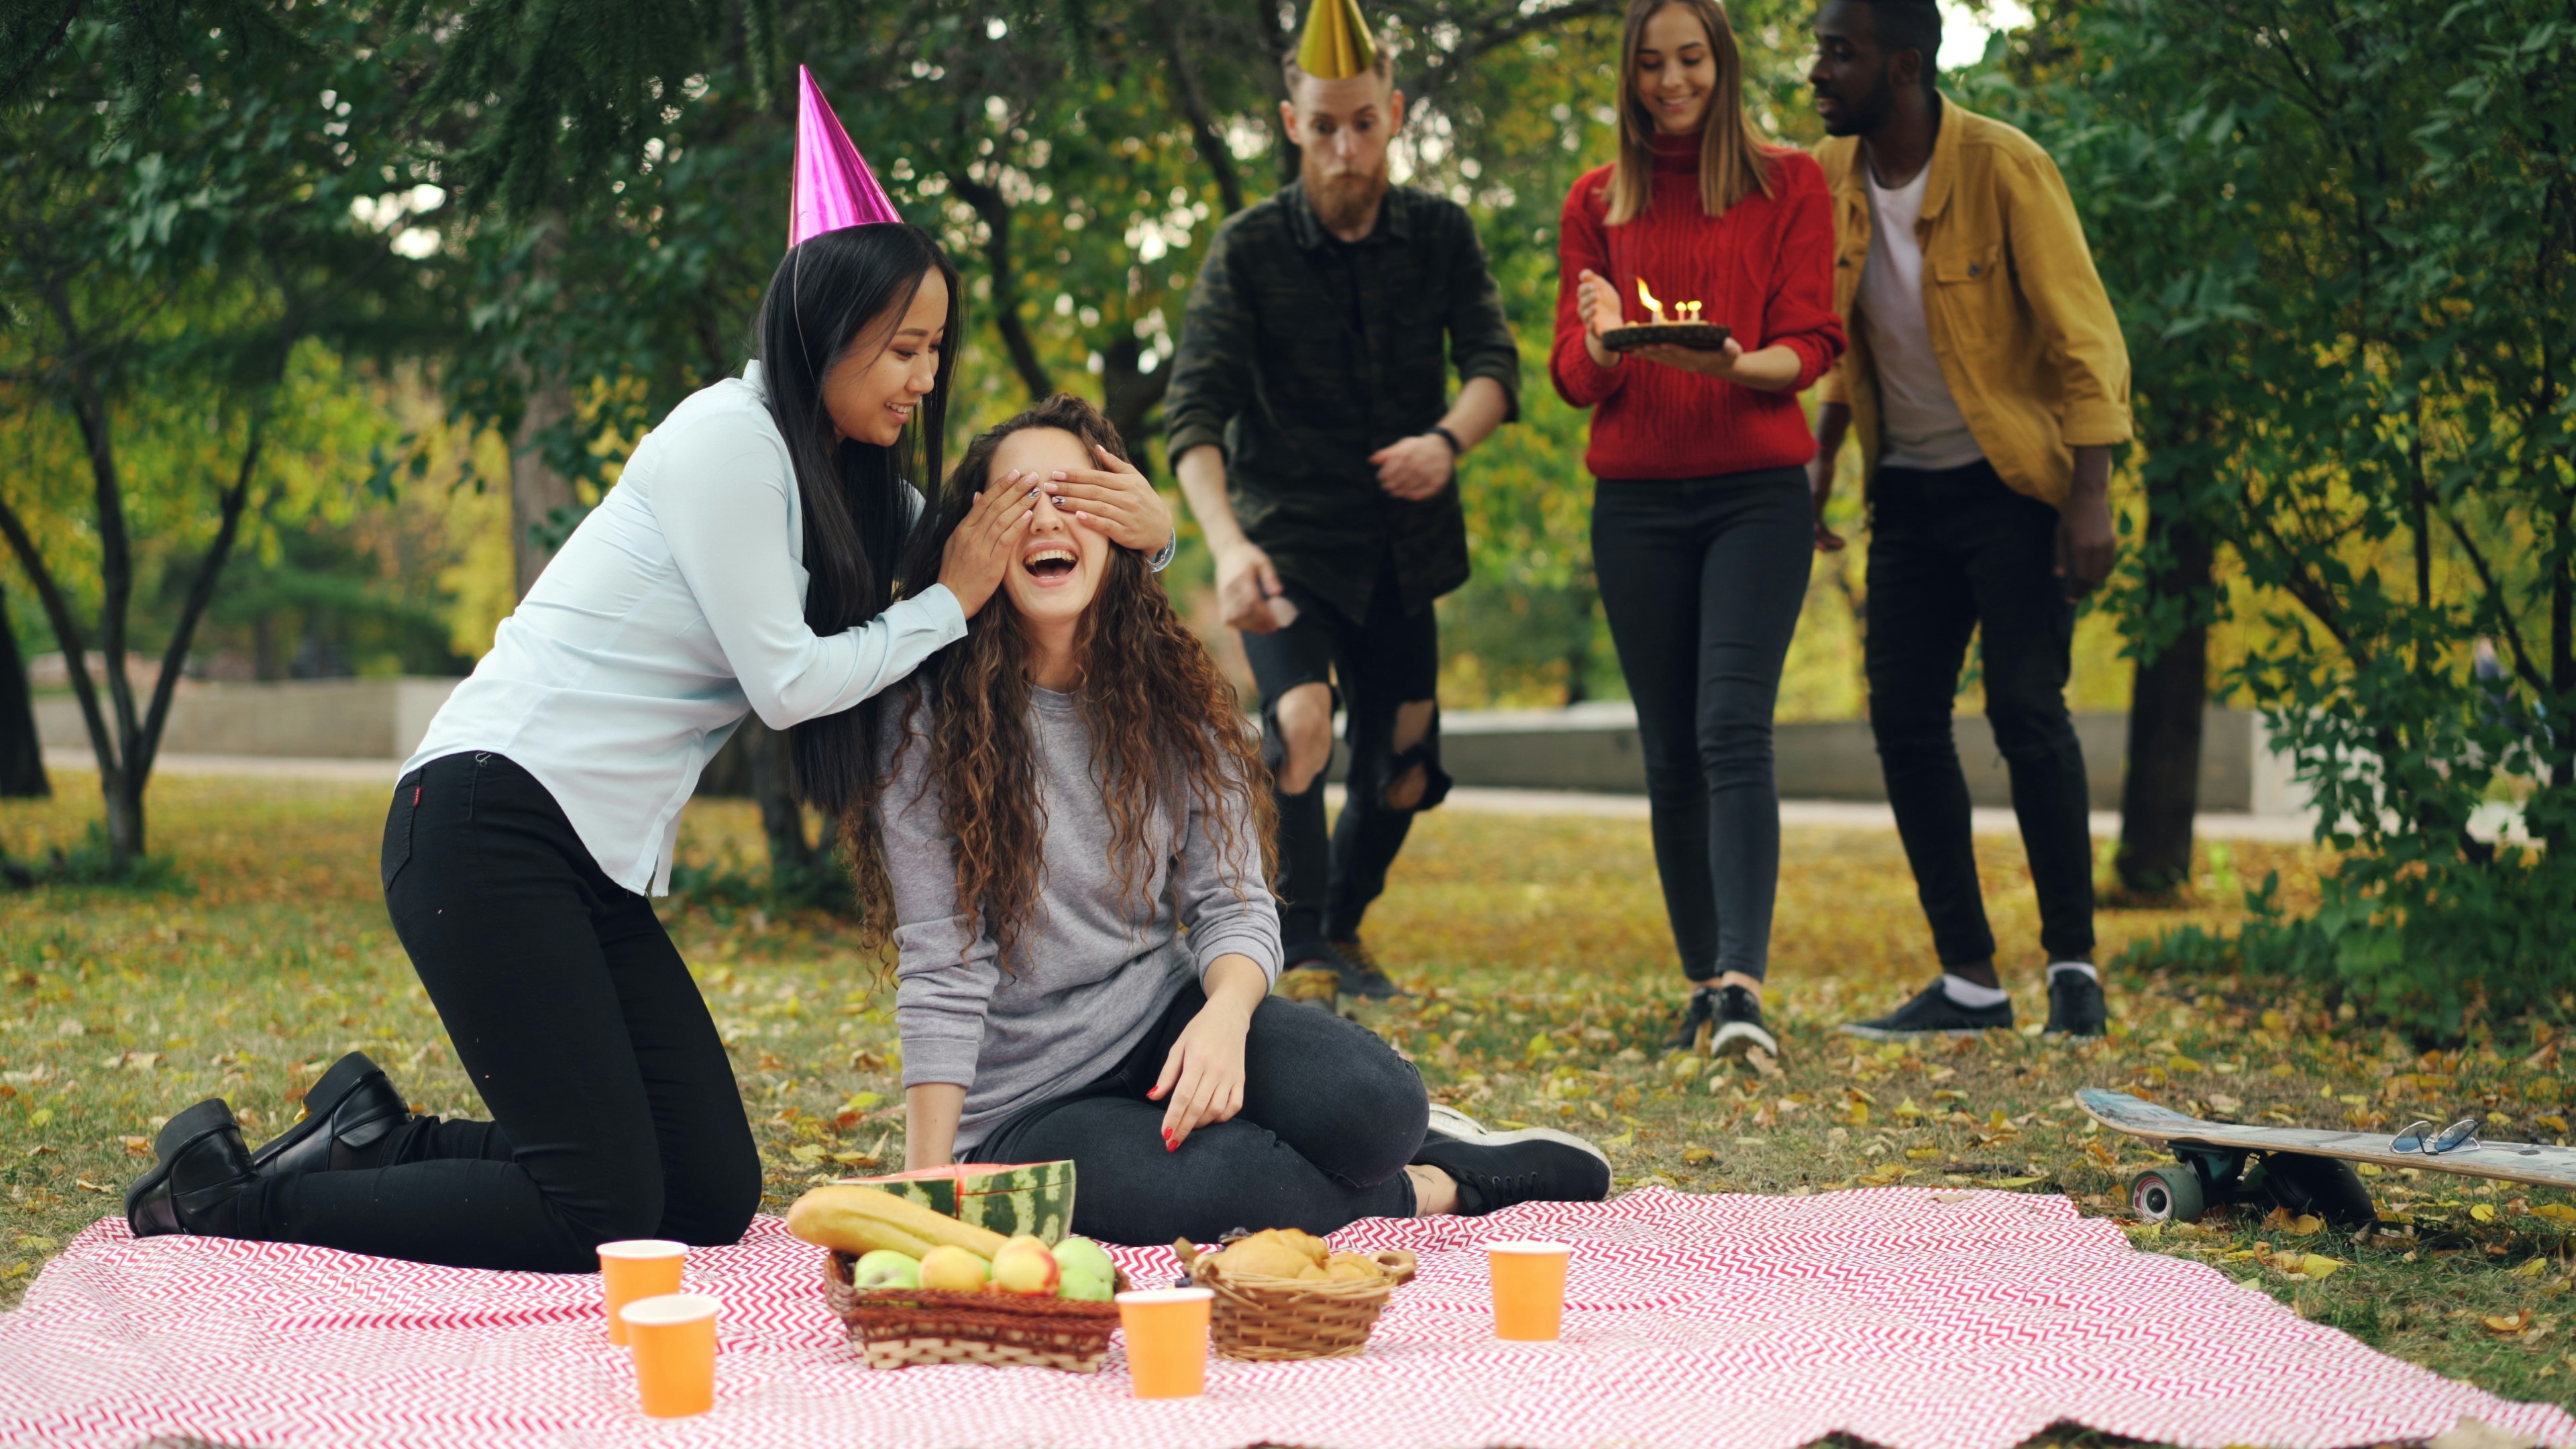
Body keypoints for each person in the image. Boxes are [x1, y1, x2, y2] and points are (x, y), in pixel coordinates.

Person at [120, 75, 1177, 1271]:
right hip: (484, 819)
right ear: (827, 330)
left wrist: (1153, 534)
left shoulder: (849, 481)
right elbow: (797, 681)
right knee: (606, 1213)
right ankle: (235, 1204)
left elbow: (1005, 576)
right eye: (904, 348)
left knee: (709, 1194)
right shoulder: (725, 440)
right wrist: (942, 600)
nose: (925, 379)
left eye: (936, 350)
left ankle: (373, 1144)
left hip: (582, 857)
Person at [871, 394, 1608, 1246]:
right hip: (1029, 1103)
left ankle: (1406, 1141)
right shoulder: (927, 716)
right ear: (975, 537)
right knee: (1238, 1180)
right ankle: (1439, 1186)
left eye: (1075, 496)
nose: (1047, 517)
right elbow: (942, 959)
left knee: (1379, 1107)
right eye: (1018, 498)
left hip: (1163, 1015)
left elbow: (1233, 899)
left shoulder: (1174, 698)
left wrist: (1221, 1017)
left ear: (1125, 530)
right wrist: (929, 1180)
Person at [1163, 0, 1521, 1000]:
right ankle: (1298, 940)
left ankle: (1344, 924)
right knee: (1305, 719)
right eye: (1324, 126)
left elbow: (1495, 362)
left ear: (1395, 114)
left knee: (1404, 766)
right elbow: (1193, 419)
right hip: (1288, 543)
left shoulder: (1441, 234)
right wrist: (1229, 548)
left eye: (1364, 122)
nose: (1346, 147)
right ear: (1292, 125)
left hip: (1406, 544)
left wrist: (1448, 443)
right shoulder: (1247, 250)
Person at [1805, 0, 2129, 1040]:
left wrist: (2092, 495)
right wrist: (1817, 471)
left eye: (1837, 51)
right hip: (1906, 488)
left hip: (2015, 486)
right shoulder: (1828, 177)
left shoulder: (2003, 166)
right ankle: (1971, 980)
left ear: (1902, 68)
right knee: (1902, 715)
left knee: (2028, 710)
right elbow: (1841, 344)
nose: (1818, 69)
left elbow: (2087, 338)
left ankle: (2073, 968)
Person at [1553, 0, 1845, 1061]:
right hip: (1635, 504)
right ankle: (1700, 981)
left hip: (1755, 495)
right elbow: (1576, 379)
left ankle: (1743, 984)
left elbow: (1809, 348)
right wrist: (1606, 341)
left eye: (1690, 60)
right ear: (1628, 75)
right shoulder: (1597, 201)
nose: (1672, 82)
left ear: (1721, 64)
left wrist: (1719, 363)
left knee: (1731, 727)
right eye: (1650, 64)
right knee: (1671, 750)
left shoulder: (1789, 184)